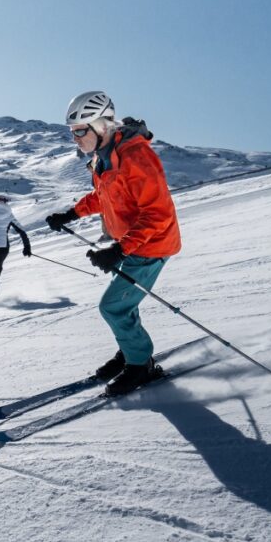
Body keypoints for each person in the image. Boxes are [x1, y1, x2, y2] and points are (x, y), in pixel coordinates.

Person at [45, 91, 181, 395]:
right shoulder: (103, 157)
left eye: (80, 131)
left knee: (113, 307)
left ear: (102, 126)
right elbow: (104, 197)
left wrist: (119, 250)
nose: (76, 139)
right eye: (73, 133)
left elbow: (157, 213)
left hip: (151, 245)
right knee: (123, 304)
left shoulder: (136, 157)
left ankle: (140, 367)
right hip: (132, 244)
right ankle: (130, 352)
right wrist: (71, 213)